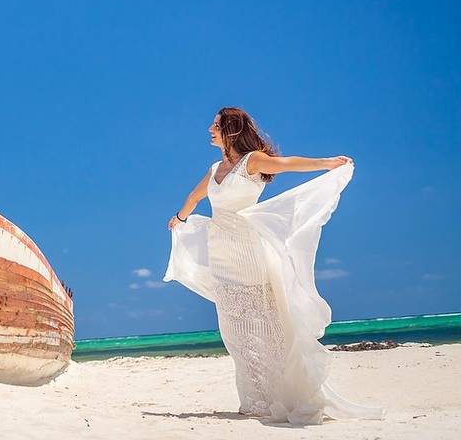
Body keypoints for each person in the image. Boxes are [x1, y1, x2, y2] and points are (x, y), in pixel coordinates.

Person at [164, 107, 383, 424]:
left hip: (249, 253)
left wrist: (327, 163)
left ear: (232, 130)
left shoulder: (251, 161)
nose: (210, 129)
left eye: (216, 125)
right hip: (220, 254)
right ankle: (255, 399)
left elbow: (288, 164)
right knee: (234, 333)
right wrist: (180, 218)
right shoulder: (215, 169)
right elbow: (195, 197)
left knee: (265, 326)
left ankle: (281, 395)